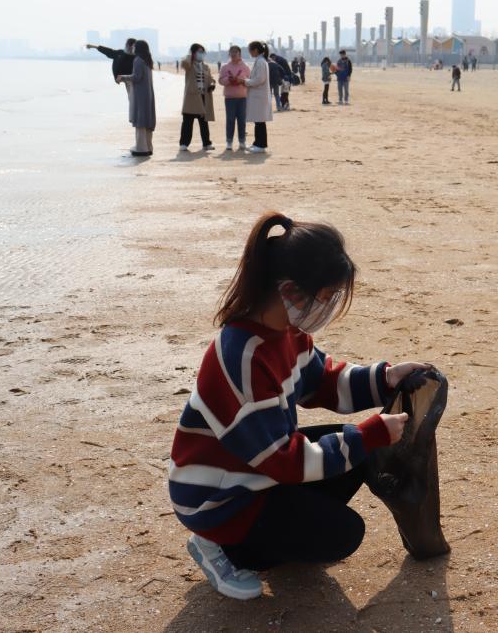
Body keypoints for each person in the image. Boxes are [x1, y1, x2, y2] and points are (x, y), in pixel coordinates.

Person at [170, 212, 428, 600]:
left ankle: (278, 534)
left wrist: (385, 378)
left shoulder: (287, 332)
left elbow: (322, 381)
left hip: (257, 471)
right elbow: (284, 461)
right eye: (327, 297)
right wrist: (369, 434)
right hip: (220, 497)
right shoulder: (242, 356)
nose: (329, 307)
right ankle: (221, 547)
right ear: (291, 291)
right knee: (343, 533)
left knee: (358, 454)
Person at [116, 40, 156, 156]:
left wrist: (122, 77)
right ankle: (148, 146)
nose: (132, 48)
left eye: (134, 46)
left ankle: (141, 148)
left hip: (140, 95)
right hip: (148, 94)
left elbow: (136, 77)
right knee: (147, 120)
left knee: (140, 119)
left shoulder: (138, 60)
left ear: (138, 48)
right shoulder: (147, 61)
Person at [86, 38, 136, 122]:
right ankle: (133, 117)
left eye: (132, 46)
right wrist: (93, 46)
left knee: (133, 98)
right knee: (131, 98)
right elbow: (108, 51)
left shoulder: (136, 57)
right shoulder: (120, 53)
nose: (129, 47)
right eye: (128, 45)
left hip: (131, 79)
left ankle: (134, 117)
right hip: (124, 78)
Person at [179, 43, 216, 152]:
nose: (201, 54)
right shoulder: (189, 65)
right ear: (193, 53)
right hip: (191, 97)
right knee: (187, 122)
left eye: (202, 52)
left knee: (204, 122)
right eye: (199, 52)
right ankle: (184, 143)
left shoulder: (206, 67)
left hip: (203, 97)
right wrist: (190, 54)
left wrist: (212, 84)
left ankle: (206, 143)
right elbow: (184, 63)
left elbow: (210, 79)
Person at [237, 41, 272, 153]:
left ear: (255, 50)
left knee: (259, 121)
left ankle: (261, 145)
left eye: (250, 50)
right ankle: (257, 143)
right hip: (258, 96)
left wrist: (245, 81)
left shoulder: (261, 62)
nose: (250, 53)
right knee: (258, 121)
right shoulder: (260, 61)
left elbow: (259, 79)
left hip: (259, 97)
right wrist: (246, 81)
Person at [220, 46, 250, 151]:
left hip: (242, 97)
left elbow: (249, 81)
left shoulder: (245, 66)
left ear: (239, 53)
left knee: (242, 120)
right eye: (231, 52)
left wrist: (240, 80)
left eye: (235, 52)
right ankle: (229, 142)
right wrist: (228, 79)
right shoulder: (225, 67)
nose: (233, 54)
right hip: (229, 98)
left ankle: (242, 141)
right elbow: (220, 80)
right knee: (230, 120)